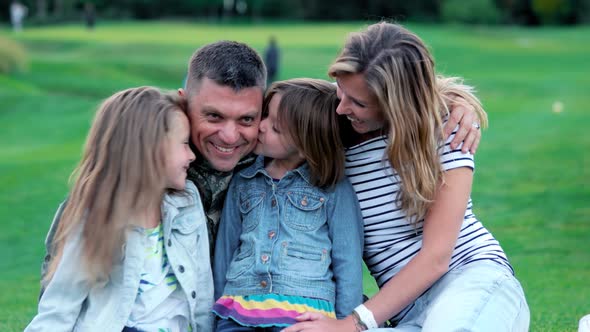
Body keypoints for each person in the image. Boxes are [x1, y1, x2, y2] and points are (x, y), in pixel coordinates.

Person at [40, 40, 483, 292]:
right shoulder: (155, 159)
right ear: (182, 102)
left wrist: (454, 101)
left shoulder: (277, 146)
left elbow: (383, 101)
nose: (231, 137)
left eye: (248, 120)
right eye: (212, 117)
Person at [283, 22, 530, 332]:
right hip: (404, 313)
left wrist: (353, 323)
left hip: (471, 282)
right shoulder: (334, 129)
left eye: (359, 103)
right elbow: (269, 121)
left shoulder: (445, 130)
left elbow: (437, 257)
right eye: (340, 91)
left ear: (396, 104)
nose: (341, 108)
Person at [27, 87, 214, 331]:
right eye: (184, 144)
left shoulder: (188, 203)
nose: (192, 155)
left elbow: (203, 293)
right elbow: (60, 306)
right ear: (150, 150)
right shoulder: (95, 218)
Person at [213, 79, 364, 331]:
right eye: (264, 116)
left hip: (304, 318)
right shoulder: (243, 181)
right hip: (239, 310)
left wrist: (344, 323)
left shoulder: (333, 188)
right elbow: (225, 251)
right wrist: (216, 312)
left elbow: (347, 260)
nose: (260, 127)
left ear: (306, 146)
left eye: (275, 127)